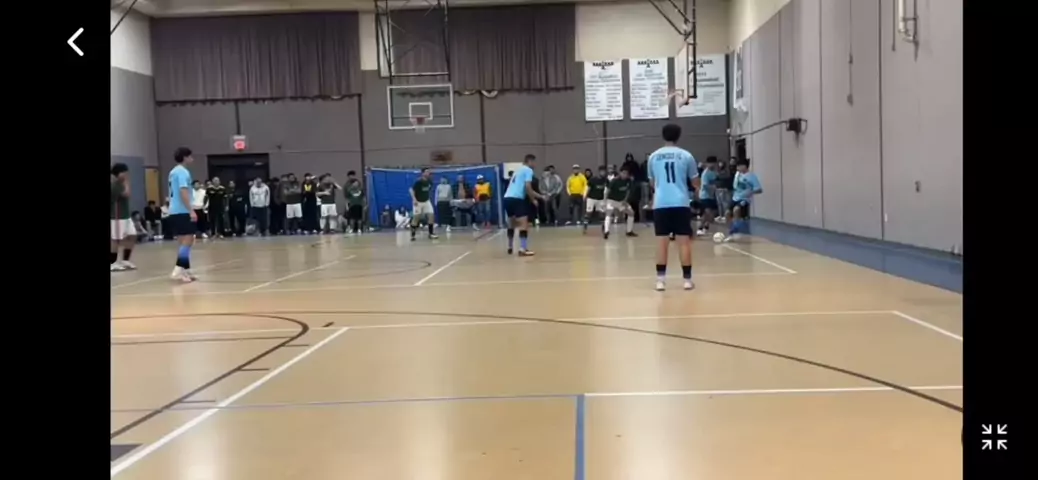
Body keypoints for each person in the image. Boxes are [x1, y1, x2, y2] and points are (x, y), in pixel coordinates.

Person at [648, 124, 698, 291]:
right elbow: (695, 182)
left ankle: (660, 281)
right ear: (678, 136)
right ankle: (687, 280)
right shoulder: (686, 156)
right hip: (681, 202)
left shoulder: (653, 157)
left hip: (661, 203)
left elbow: (652, 183)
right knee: (683, 242)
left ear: (663, 135)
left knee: (661, 242)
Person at [503, 154, 546, 256]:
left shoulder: (518, 171)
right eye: (534, 162)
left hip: (507, 198)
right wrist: (538, 198)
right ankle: (523, 248)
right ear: (530, 161)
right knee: (524, 224)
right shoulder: (528, 170)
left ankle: (510, 246)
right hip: (517, 199)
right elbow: (528, 188)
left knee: (511, 223)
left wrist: (534, 198)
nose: (535, 165)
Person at [168, 147, 199, 282]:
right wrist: (190, 210)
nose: (192, 158)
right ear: (185, 157)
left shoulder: (173, 171)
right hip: (182, 210)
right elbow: (183, 191)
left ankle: (186, 270)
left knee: (183, 242)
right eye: (190, 156)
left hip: (174, 210)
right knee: (188, 239)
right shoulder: (182, 172)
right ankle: (178, 268)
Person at [110, 163, 138, 271]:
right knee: (115, 239)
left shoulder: (121, 184)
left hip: (126, 216)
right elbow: (127, 194)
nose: (127, 174)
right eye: (125, 172)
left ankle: (125, 260)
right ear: (119, 174)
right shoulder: (114, 185)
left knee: (132, 236)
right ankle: (112, 263)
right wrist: (127, 182)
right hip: (117, 216)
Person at [726, 158, 763, 241]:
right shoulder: (737, 175)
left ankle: (736, 231)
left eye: (739, 166)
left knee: (736, 210)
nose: (737, 168)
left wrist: (750, 192)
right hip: (735, 198)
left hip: (744, 199)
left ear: (744, 166)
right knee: (727, 213)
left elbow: (759, 189)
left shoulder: (752, 176)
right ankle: (731, 230)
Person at [604, 168, 637, 239]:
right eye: (623, 173)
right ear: (620, 173)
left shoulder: (628, 181)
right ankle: (606, 231)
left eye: (626, 173)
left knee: (631, 213)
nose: (625, 175)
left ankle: (629, 231)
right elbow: (607, 191)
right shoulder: (614, 181)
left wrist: (625, 200)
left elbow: (628, 191)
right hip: (611, 200)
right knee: (609, 213)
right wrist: (605, 201)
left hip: (621, 201)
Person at [410, 168, 438, 241]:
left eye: (429, 172)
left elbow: (428, 190)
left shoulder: (430, 182)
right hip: (418, 202)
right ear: (423, 173)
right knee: (416, 218)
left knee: (431, 216)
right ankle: (413, 235)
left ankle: (431, 234)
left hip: (426, 201)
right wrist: (414, 199)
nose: (428, 173)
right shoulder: (418, 182)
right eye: (427, 172)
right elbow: (411, 190)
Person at [696, 157, 720, 236]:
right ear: (707, 164)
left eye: (713, 163)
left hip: (712, 196)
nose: (712, 165)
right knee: (708, 213)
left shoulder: (715, 173)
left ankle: (705, 227)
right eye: (710, 163)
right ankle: (700, 228)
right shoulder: (705, 173)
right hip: (705, 196)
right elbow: (705, 185)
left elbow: (717, 181)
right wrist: (713, 187)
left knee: (711, 213)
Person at [582, 166, 608, 234]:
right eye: (602, 171)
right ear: (599, 172)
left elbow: (607, 190)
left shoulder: (606, 180)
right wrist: (585, 195)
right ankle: (585, 227)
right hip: (591, 198)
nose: (603, 173)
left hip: (600, 199)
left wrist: (606, 199)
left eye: (604, 171)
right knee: (588, 213)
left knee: (601, 214)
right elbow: (588, 188)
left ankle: (603, 228)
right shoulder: (593, 179)